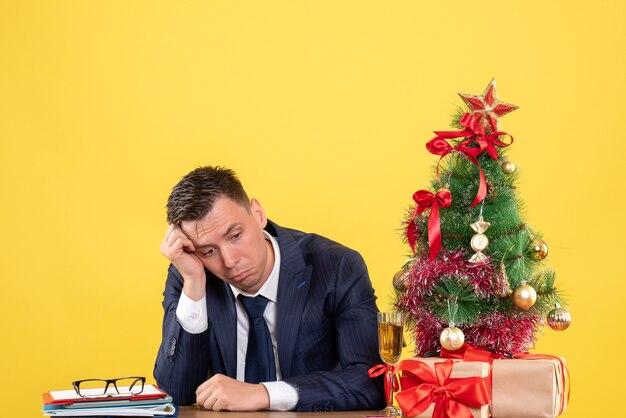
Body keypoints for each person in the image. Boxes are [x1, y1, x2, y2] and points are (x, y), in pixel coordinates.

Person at [154, 166, 384, 411]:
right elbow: (176, 393)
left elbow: (370, 381)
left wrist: (265, 394)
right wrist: (193, 284)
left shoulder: (336, 267)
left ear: (258, 214)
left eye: (235, 235)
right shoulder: (192, 275)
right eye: (209, 251)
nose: (230, 261)